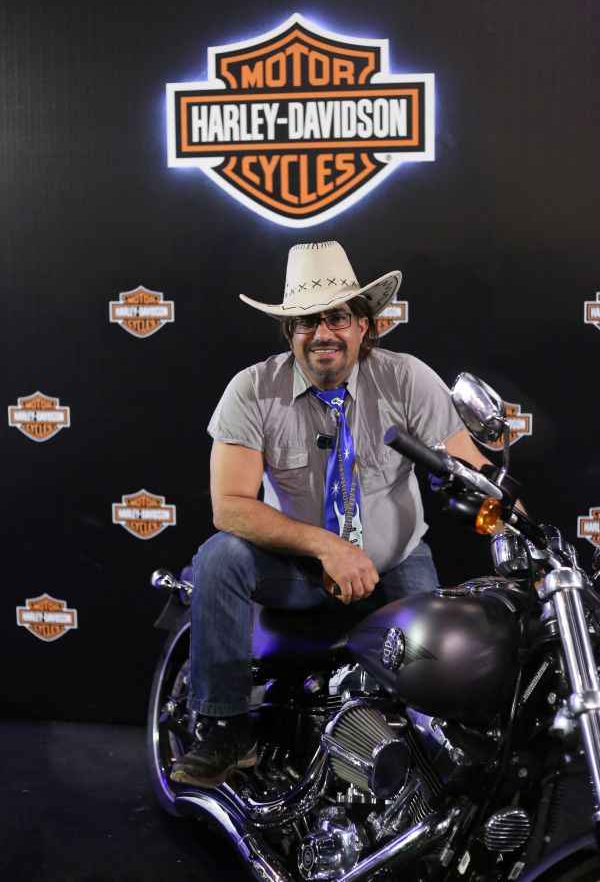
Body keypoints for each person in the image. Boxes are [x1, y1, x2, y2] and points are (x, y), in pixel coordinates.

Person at [171, 240, 489, 787]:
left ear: (364, 325)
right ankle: (226, 730)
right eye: (306, 321)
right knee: (218, 557)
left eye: (337, 317)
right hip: (296, 569)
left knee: (440, 689)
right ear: (289, 332)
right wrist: (328, 547)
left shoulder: (407, 378)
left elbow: (473, 470)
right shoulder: (251, 390)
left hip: (394, 562)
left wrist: (528, 532)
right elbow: (230, 506)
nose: (322, 333)